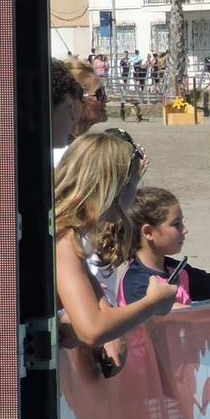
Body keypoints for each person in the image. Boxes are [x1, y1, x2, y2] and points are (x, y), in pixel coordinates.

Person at [54, 133, 178, 372]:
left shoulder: (69, 233)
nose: (135, 190)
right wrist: (151, 303)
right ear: (112, 188)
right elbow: (93, 329)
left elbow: (99, 311)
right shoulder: (64, 238)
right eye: (133, 182)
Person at [112, 187, 210, 315]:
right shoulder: (136, 282)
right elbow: (178, 316)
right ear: (148, 232)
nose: (184, 230)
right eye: (176, 224)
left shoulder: (177, 270)